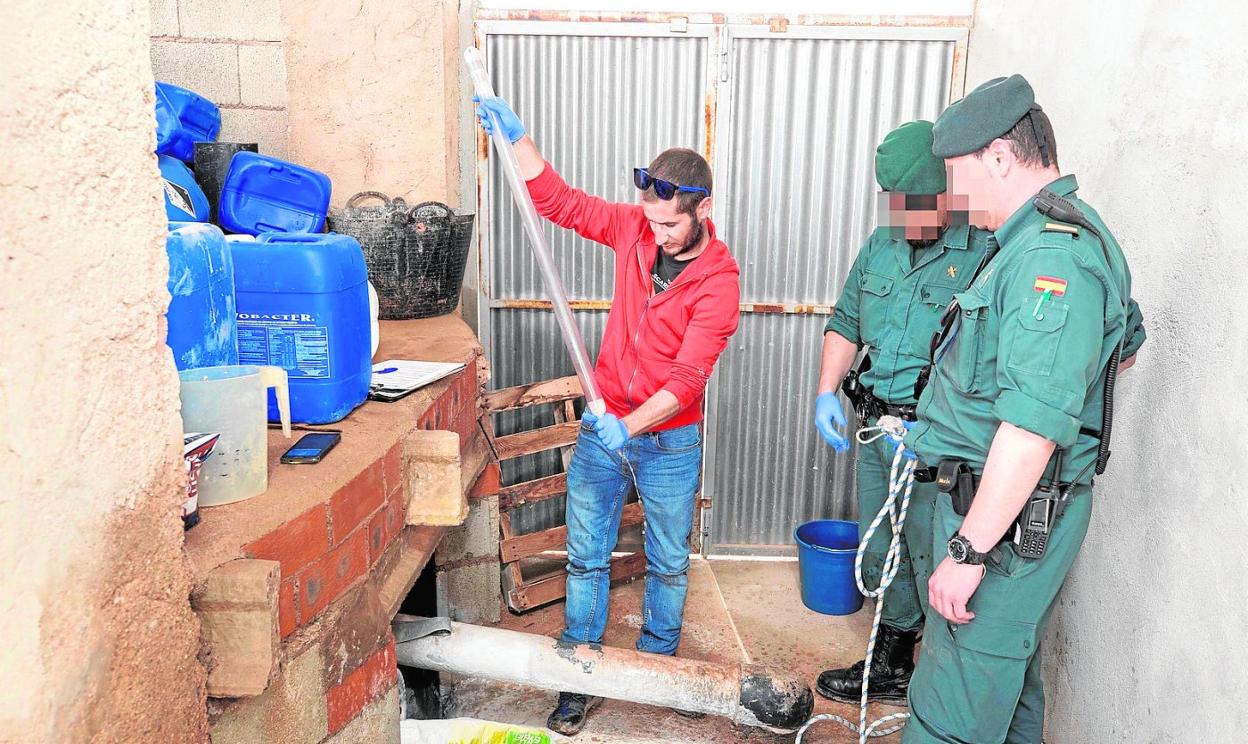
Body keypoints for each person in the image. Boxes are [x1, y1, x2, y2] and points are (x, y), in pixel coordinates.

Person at [474, 96, 741, 737]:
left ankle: (655, 667)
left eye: (669, 225)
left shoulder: (720, 280)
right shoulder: (635, 229)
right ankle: (581, 671)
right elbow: (561, 203)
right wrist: (520, 141)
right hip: (605, 425)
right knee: (586, 555)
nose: (657, 234)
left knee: (668, 559)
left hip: (669, 439)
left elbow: (687, 381)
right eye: (650, 220)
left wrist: (633, 425)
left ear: (703, 210)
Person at [898, 74, 1146, 743]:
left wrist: (969, 549)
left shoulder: (1050, 258)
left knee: (951, 706)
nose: (952, 197)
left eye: (957, 175)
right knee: (1005, 686)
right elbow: (1118, 351)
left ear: (1001, 157)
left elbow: (1033, 426)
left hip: (1003, 527)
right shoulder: (1045, 238)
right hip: (999, 511)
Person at [813, 120, 997, 705]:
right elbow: (847, 320)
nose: (905, 218)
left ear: (948, 192)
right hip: (878, 432)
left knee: (929, 554)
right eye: (896, 204)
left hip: (937, 443)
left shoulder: (987, 248)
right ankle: (891, 663)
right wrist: (825, 391)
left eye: (916, 206)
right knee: (880, 549)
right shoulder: (882, 242)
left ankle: (935, 677)